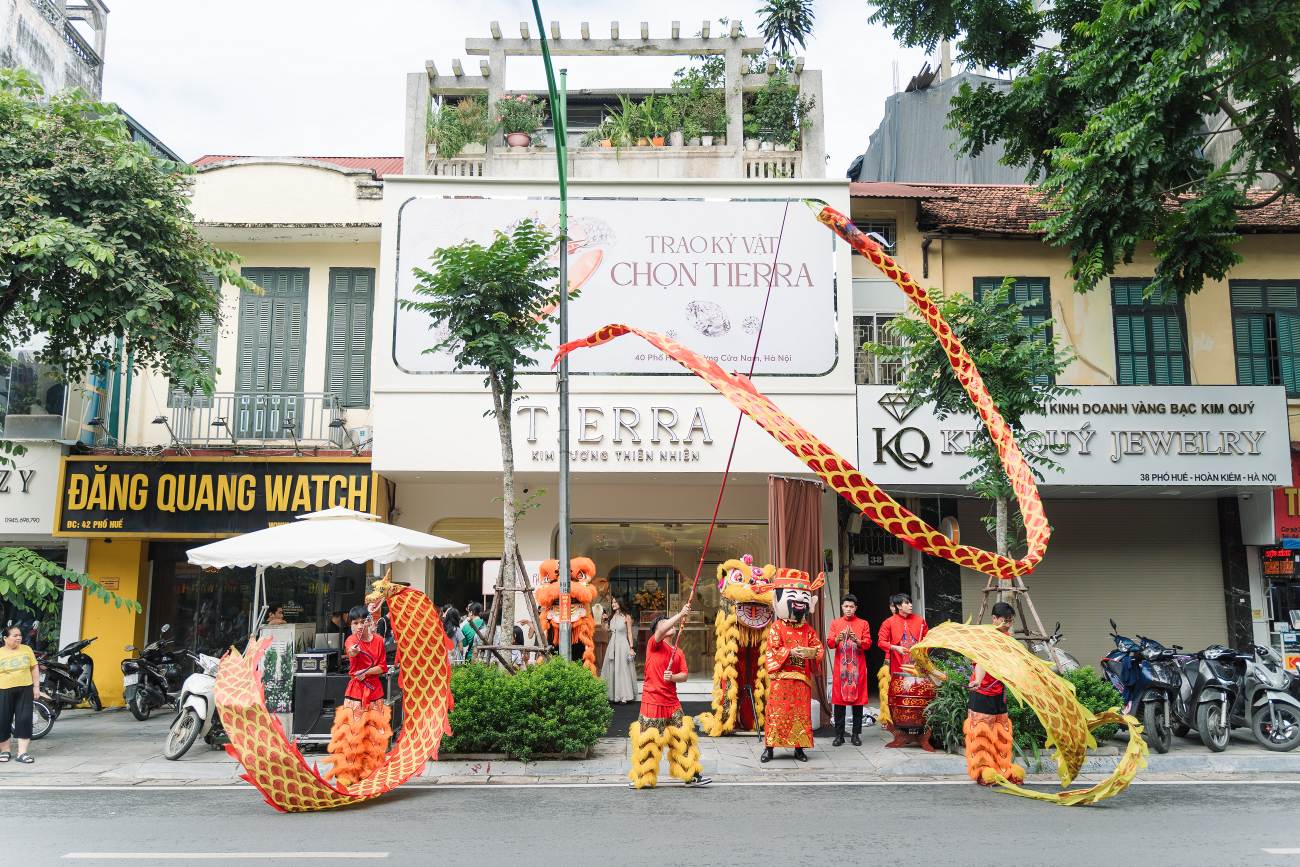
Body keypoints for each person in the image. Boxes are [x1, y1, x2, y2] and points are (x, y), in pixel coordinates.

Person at [627, 605, 711, 789]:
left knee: (684, 738)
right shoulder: (654, 644)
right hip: (652, 701)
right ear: (658, 630)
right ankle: (643, 778)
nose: (668, 625)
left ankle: (692, 775)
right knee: (648, 741)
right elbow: (661, 631)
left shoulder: (678, 652)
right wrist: (680, 614)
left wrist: (672, 677)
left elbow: (685, 675)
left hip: (672, 702)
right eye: (664, 623)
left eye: (669, 622)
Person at [322, 605, 392, 788]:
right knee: (351, 734)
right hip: (355, 692)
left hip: (375, 691)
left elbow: (383, 667)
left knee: (374, 735)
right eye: (355, 623)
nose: (359, 626)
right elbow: (351, 651)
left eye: (362, 622)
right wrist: (353, 652)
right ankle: (347, 773)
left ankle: (370, 773)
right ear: (350, 625)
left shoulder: (378, 641)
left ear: (369, 622)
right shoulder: (351, 641)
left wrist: (367, 672)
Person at [761, 569, 825, 763]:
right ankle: (769, 748)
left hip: (801, 680)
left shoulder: (808, 629)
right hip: (781, 679)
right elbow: (772, 650)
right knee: (776, 713)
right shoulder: (776, 627)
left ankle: (799, 749)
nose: (798, 601)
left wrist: (813, 653)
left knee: (800, 714)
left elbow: (818, 648)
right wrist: (791, 652)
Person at [964, 602, 1027, 786]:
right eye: (1005, 620)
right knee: (982, 736)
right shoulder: (986, 638)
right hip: (981, 692)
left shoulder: (1008, 640)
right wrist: (978, 680)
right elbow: (981, 662)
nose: (1008, 624)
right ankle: (983, 772)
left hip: (1000, 693)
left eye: (1010, 621)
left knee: (1001, 735)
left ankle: (1003, 769)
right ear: (994, 619)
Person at [877, 593, 935, 750]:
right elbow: (881, 642)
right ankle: (902, 734)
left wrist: (922, 650)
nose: (910, 605)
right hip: (898, 668)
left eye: (910, 602)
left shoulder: (920, 621)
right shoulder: (889, 622)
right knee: (898, 701)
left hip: (918, 668)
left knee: (920, 700)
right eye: (906, 603)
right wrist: (895, 647)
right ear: (898, 606)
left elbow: (928, 641)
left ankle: (921, 735)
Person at [827, 593, 873, 746]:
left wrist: (856, 640)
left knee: (858, 704)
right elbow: (830, 643)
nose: (848, 609)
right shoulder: (835, 623)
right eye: (846, 606)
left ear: (855, 608)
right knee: (839, 703)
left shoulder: (863, 623)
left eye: (851, 607)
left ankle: (855, 735)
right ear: (842, 607)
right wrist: (838, 638)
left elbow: (867, 644)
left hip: (857, 669)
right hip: (841, 669)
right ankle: (839, 735)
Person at [0, 624, 40, 764]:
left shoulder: (27, 649)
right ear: (5, 638)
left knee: (24, 719)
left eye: (20, 635)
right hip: (3, 689)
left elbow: (34, 668)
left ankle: (22, 753)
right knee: (3, 720)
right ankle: (5, 751)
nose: (18, 638)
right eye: (15, 635)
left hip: (25, 688)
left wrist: (36, 687)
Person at [601, 597, 638, 704]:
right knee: (612, 669)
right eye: (612, 602)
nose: (613, 604)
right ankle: (613, 695)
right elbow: (606, 629)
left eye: (615, 602)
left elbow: (630, 633)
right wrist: (605, 620)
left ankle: (624, 696)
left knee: (623, 670)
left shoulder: (627, 617)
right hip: (612, 645)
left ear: (620, 603)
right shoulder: (612, 617)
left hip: (623, 645)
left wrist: (631, 648)